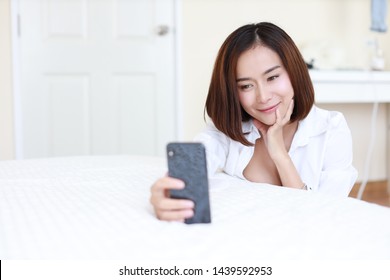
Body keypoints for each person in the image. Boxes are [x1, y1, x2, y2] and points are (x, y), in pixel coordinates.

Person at [150, 22, 358, 222]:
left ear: (294, 73)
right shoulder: (228, 130)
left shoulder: (330, 128)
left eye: (272, 77)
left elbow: (324, 215)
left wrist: (280, 155)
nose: (263, 97)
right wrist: (167, 194)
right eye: (246, 86)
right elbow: (195, 164)